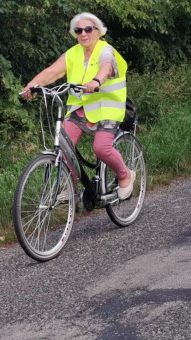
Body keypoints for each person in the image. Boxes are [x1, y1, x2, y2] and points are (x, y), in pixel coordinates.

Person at [20, 12, 135, 200]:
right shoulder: (72, 54)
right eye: (78, 30)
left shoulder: (106, 50)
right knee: (64, 144)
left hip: (108, 107)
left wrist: (97, 81)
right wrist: (32, 85)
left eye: (88, 29)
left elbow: (106, 67)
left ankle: (125, 175)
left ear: (98, 31)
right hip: (81, 108)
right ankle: (70, 184)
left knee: (101, 148)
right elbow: (52, 72)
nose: (83, 33)